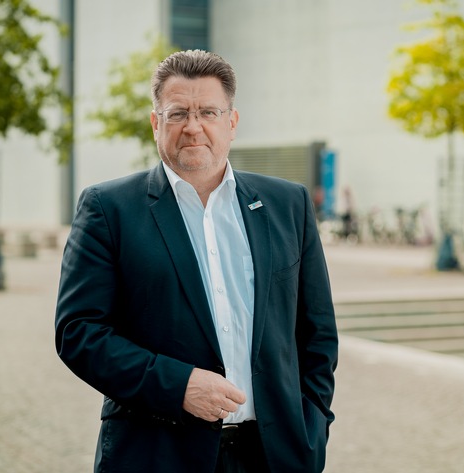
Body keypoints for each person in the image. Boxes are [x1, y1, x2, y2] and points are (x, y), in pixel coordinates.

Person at [55, 49, 338, 473]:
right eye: (177, 114)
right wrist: (178, 385)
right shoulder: (107, 208)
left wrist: (313, 426)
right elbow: (79, 333)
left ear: (232, 122)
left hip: (274, 457)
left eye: (208, 112)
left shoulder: (288, 204)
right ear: (156, 124)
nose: (193, 126)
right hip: (157, 455)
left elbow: (317, 334)